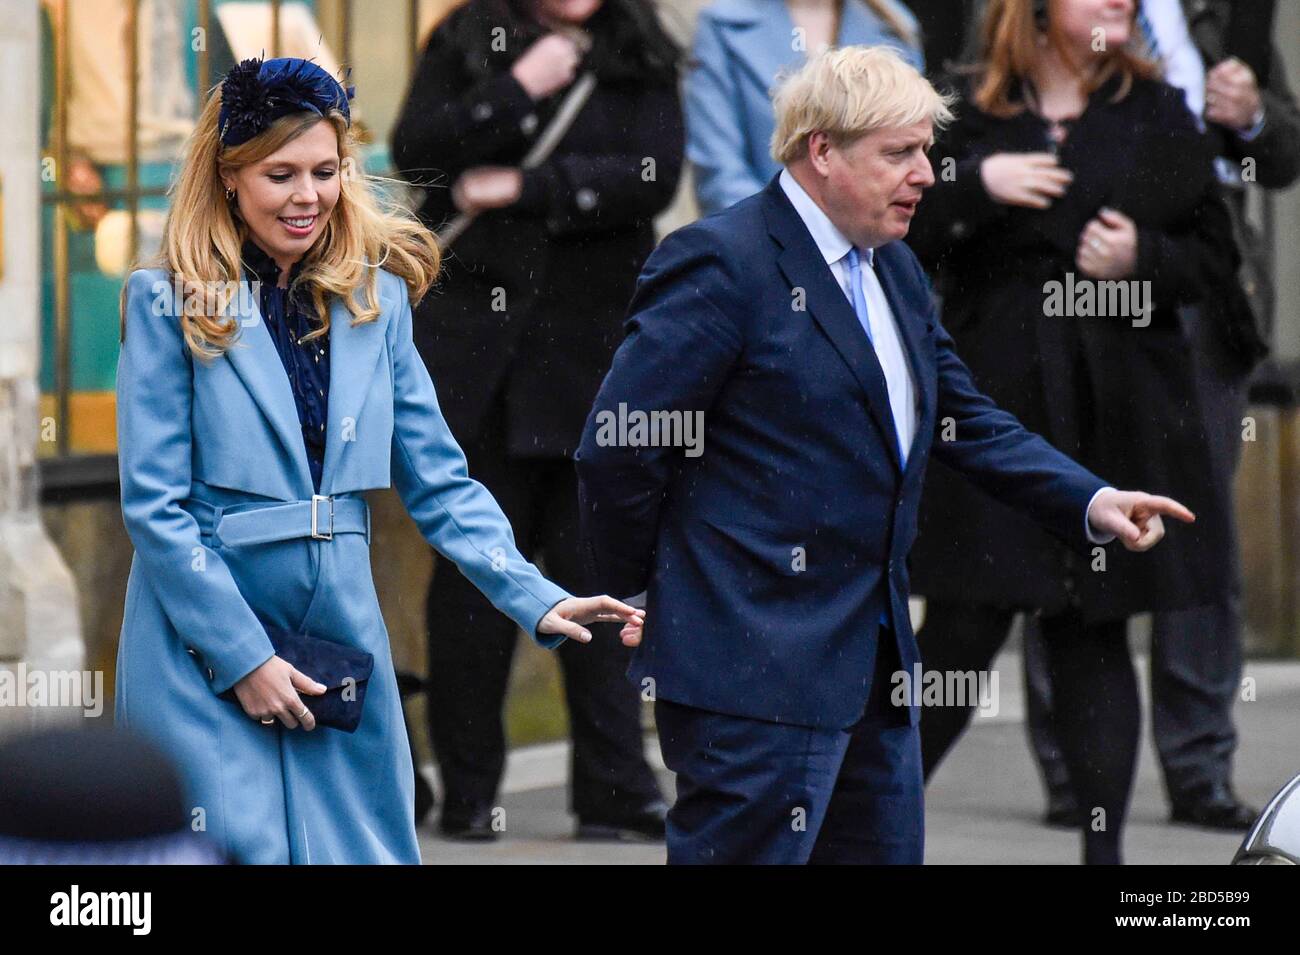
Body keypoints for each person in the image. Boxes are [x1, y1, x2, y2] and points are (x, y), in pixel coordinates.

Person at [575, 44, 1195, 865]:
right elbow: (619, 446)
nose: (927, 176)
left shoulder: (896, 268)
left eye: (927, 153)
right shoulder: (721, 260)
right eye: (899, 154)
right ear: (821, 151)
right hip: (748, 677)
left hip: (878, 674)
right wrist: (643, 591)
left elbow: (964, 418)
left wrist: (1089, 500)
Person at [114, 56, 645, 865]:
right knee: (215, 851)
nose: (307, 196)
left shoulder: (375, 298)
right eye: (279, 173)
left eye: (326, 170)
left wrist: (537, 596)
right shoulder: (165, 303)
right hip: (203, 639)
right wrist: (244, 656)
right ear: (227, 178)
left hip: (338, 640)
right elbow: (155, 507)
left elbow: (439, 480)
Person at [904, 0, 1233, 863]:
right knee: (960, 632)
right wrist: (978, 185)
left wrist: (1143, 261)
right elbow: (901, 235)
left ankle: (1106, 864)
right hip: (996, 409)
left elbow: (1215, 265)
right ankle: (863, 833)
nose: (1118, 1)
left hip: (1117, 408)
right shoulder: (967, 116)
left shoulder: (1159, 114)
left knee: (1095, 629)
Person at [390, 0, 680, 841]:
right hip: (483, 351)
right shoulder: (467, 34)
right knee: (477, 581)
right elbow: (417, 152)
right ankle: (470, 789)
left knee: (598, 575)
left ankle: (616, 790)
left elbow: (654, 176)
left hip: (596, 353)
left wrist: (528, 185)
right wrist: (519, 86)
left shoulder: (640, 49)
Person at [1025, 0, 1300, 832]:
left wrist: (1251, 116)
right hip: (1069, 305)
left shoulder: (1223, 18)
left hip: (1197, 308)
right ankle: (1075, 768)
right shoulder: (1049, 17)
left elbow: (1281, 156)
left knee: (1197, 531)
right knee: (1069, 517)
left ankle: (1199, 765)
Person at [686, 0, 922, 215]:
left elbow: (910, 148)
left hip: (869, 246)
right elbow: (719, 171)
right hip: (762, 243)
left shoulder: (894, 25)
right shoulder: (723, 24)